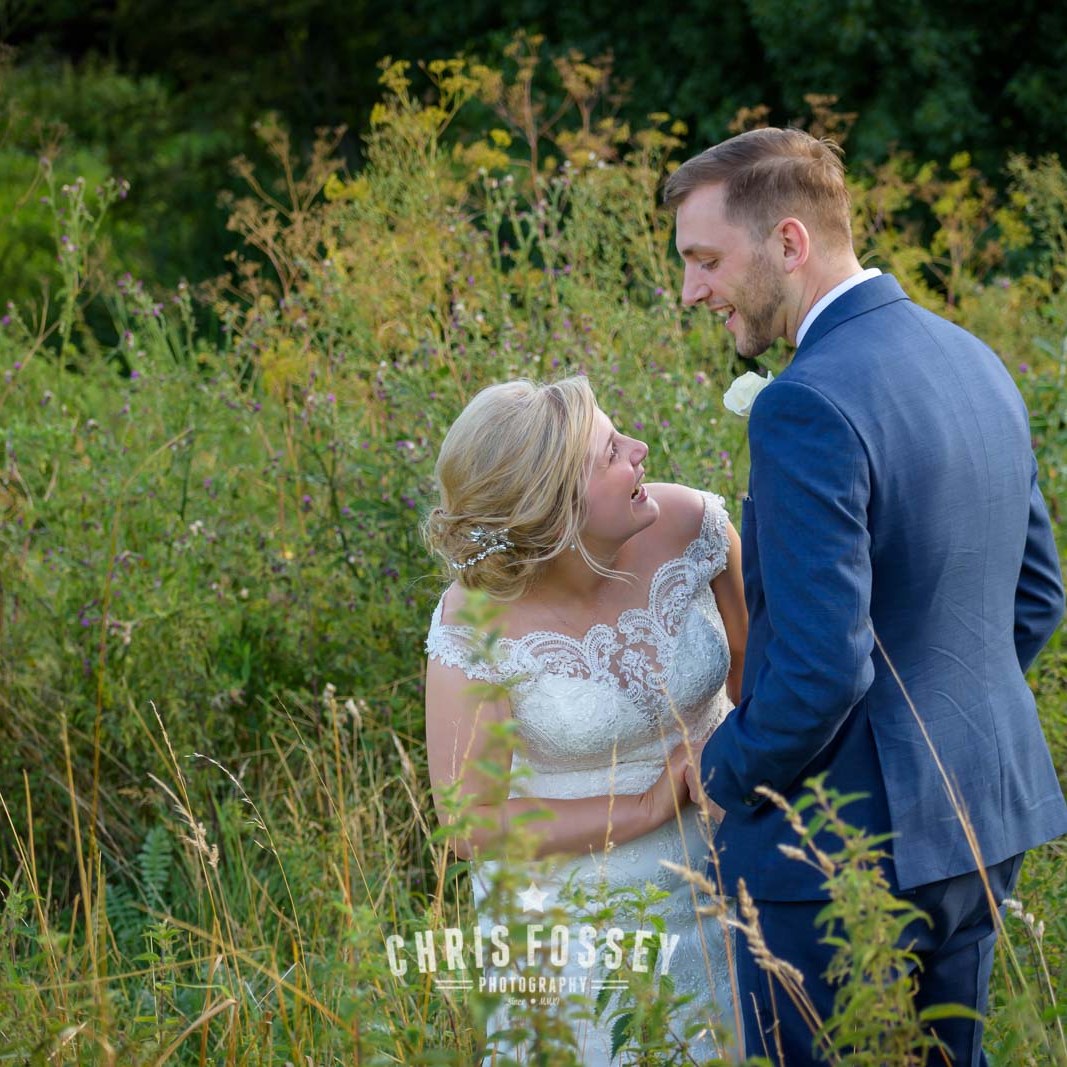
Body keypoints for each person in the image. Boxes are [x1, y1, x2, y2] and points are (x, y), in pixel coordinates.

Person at [663, 126, 1067, 1065]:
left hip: (835, 856)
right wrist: (934, 717)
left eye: (705, 258)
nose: (692, 290)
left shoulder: (805, 400)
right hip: (976, 826)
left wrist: (722, 772)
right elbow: (1037, 594)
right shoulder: (972, 357)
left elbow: (817, 666)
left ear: (790, 242)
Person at [422, 376, 748, 1064]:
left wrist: (747, 778)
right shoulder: (475, 621)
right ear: (552, 506)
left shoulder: (696, 528)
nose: (640, 450)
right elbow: (469, 823)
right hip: (577, 934)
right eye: (609, 452)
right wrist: (643, 804)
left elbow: (764, 677)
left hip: (732, 882)